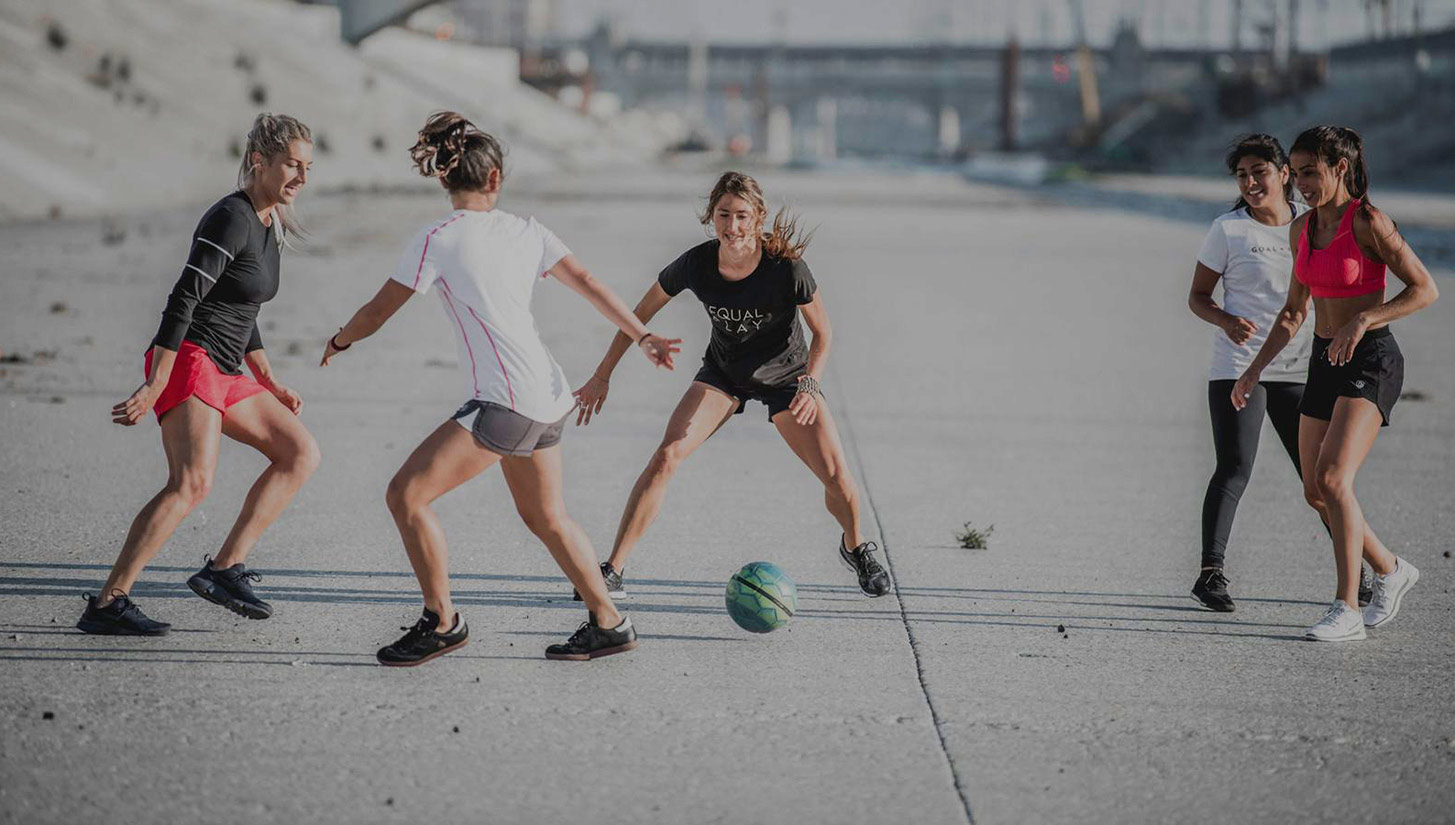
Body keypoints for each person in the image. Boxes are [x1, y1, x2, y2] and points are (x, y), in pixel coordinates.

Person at [321, 112, 680, 665]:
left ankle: (442, 622)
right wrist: (643, 336)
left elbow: (377, 311)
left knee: (407, 495)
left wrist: (341, 340)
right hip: (549, 396)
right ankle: (611, 621)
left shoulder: (436, 239)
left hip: (506, 405)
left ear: (445, 179)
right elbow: (589, 283)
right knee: (547, 518)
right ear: (494, 180)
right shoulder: (528, 230)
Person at [572, 171, 890, 600]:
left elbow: (824, 332)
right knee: (666, 456)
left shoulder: (787, 269)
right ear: (712, 217)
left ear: (758, 217)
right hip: (724, 376)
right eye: (724, 215)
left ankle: (854, 546)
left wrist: (810, 385)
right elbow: (638, 314)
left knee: (838, 479)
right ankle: (613, 570)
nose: (733, 226)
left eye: (742, 216)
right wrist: (602, 374)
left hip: (788, 379)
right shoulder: (696, 264)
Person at [78, 114, 320, 635]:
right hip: (190, 357)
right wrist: (155, 382)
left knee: (300, 454)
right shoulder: (230, 218)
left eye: (307, 167)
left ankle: (225, 569)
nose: (301, 177)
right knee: (190, 483)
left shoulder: (270, 220)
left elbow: (245, 309)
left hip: (227, 367)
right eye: (291, 165)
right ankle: (108, 603)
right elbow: (185, 298)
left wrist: (270, 380)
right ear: (259, 161)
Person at [1233, 126, 1438, 642]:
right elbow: (1292, 312)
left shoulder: (1368, 222)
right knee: (1314, 490)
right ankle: (1392, 569)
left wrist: (1364, 319)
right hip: (1325, 362)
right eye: (1296, 173)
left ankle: (1347, 606)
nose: (1300, 183)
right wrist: (1254, 369)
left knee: (1333, 478)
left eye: (1309, 172)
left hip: (1371, 359)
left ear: (1339, 168)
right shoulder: (1301, 231)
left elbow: (1424, 289)